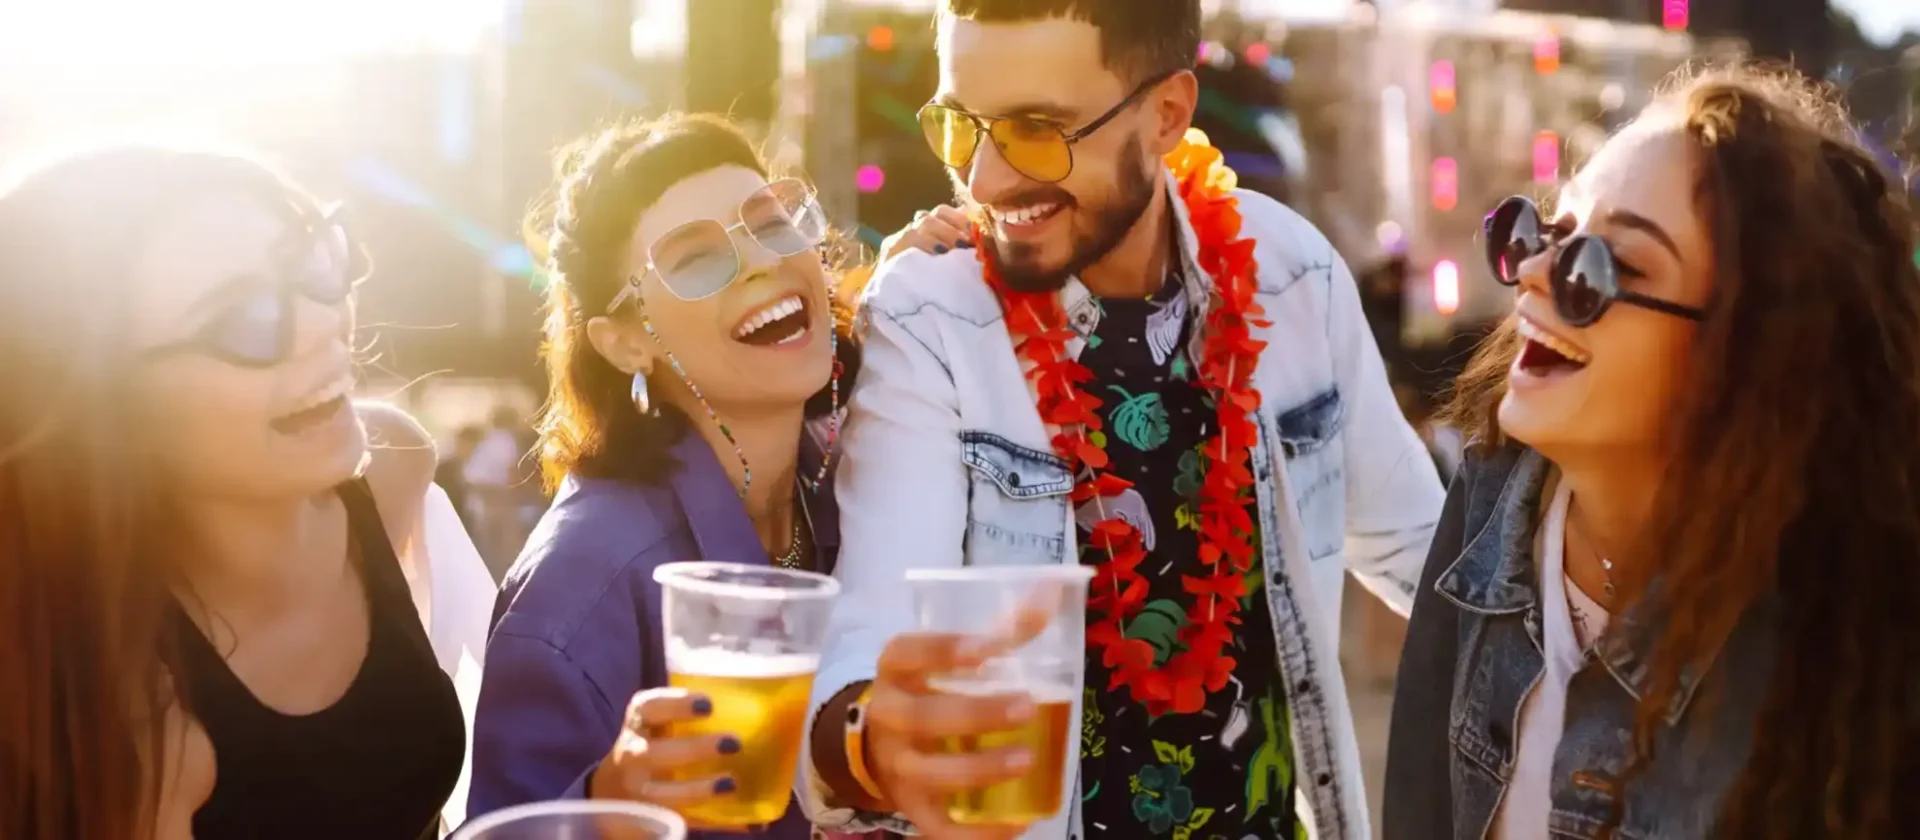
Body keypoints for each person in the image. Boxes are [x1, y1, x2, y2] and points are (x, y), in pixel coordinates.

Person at [797, 2, 1445, 838]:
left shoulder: (1293, 274)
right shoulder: (931, 318)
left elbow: (1431, 560)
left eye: (1037, 129)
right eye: (962, 127)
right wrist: (873, 741)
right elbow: (871, 635)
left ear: (1168, 113)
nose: (986, 180)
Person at [1384, 66, 1920, 839]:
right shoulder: (1489, 496)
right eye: (1547, 235)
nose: (1533, 273)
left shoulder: (1842, 617)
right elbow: (1418, 812)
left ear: (1747, 352)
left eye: (1606, 268)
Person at [463, 114, 957, 836]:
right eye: (694, 259)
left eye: (772, 221)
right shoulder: (585, 578)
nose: (762, 262)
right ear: (627, 342)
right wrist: (611, 800)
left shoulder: (864, 487)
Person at [0, 144, 482, 840]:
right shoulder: (100, 691)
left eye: (312, 262)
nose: (324, 321)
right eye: (242, 320)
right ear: (104, 403)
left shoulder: (391, 471)